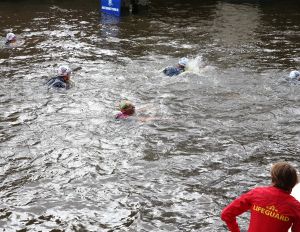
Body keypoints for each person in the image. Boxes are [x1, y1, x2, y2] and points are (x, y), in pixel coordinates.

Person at [221, 162, 300, 232]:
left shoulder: (257, 193)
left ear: (273, 178)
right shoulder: (296, 207)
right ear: (293, 183)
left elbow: (226, 214)